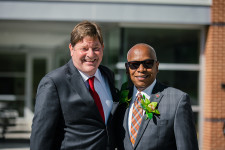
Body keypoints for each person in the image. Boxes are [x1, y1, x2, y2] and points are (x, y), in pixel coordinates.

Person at [30, 21, 119, 150]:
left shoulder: (108, 75)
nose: (91, 54)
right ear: (71, 49)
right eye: (84, 48)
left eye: (96, 48)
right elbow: (41, 137)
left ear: (102, 48)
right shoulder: (54, 82)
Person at [115, 43, 199, 150]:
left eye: (148, 63)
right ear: (127, 68)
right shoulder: (118, 100)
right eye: (134, 64)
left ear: (157, 66)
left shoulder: (178, 101)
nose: (141, 69)